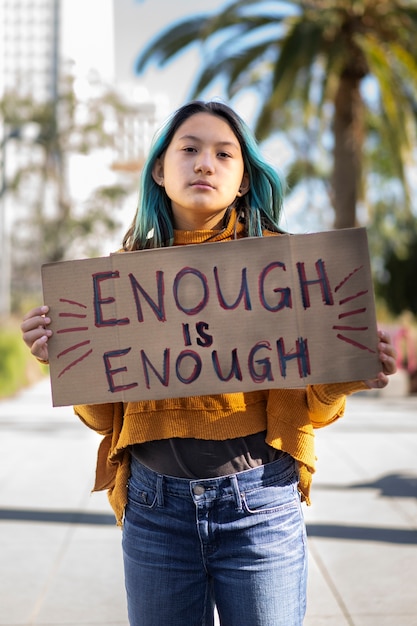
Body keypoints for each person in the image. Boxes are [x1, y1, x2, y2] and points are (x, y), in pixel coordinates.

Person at [21, 100, 397, 626]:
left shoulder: (284, 271)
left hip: (261, 506)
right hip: (155, 511)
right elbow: (109, 420)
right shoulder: (119, 282)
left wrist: (345, 377)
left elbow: (307, 408)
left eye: (224, 154)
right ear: (159, 168)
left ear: (244, 179)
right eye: (190, 149)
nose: (205, 164)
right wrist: (65, 360)